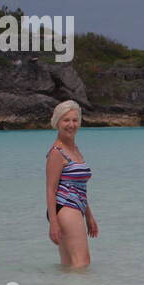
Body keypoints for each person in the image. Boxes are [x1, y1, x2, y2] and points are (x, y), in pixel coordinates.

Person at [45, 100, 97, 268]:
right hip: (66, 208)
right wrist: (53, 223)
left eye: (74, 120)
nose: (71, 124)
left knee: (69, 265)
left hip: (77, 207)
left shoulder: (74, 149)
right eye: (66, 120)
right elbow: (50, 190)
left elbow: (79, 187)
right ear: (57, 122)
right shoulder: (56, 152)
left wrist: (89, 215)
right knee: (82, 263)